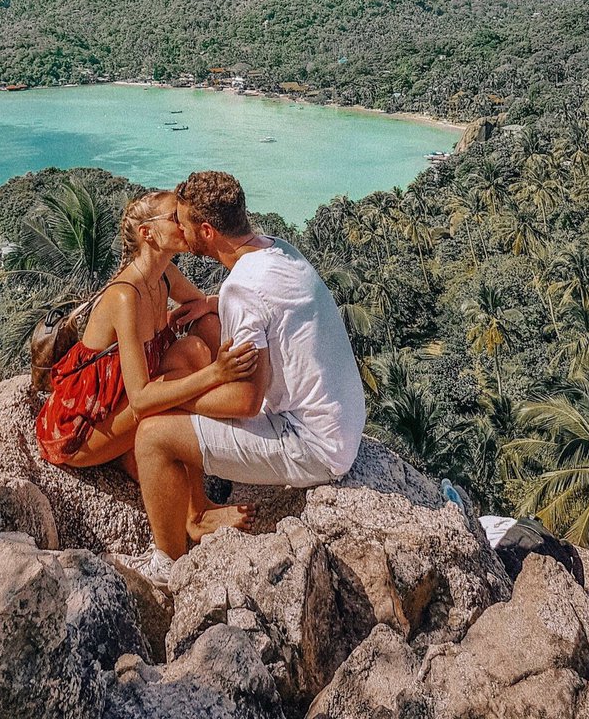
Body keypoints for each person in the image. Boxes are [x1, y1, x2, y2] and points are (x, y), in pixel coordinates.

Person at [125, 171, 366, 587]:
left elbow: (245, 402)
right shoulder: (279, 250)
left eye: (183, 222)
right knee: (212, 337)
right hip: (343, 420)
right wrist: (212, 304)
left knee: (151, 436)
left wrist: (174, 399)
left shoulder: (244, 289)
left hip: (314, 444)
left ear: (206, 231)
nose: (178, 230)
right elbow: (270, 304)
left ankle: (166, 565)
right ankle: (194, 512)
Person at [35, 189, 258, 541]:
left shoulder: (164, 275)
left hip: (118, 406)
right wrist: (215, 374)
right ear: (147, 234)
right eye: (175, 217)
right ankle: (196, 514)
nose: (185, 223)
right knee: (169, 399)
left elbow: (199, 304)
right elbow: (140, 400)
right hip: (84, 425)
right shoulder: (126, 295)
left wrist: (210, 305)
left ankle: (182, 444)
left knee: (200, 338)